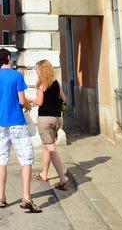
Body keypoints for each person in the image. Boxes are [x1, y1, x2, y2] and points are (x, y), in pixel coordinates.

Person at [0, 48, 42, 213]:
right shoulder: (17, 75)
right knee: (26, 159)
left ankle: (1, 197)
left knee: (2, 159)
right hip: (17, 122)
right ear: (9, 58)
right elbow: (21, 100)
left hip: (1, 123)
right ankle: (26, 197)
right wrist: (27, 105)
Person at [29, 59, 68, 190]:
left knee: (51, 148)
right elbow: (64, 99)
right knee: (46, 146)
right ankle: (44, 173)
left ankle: (62, 178)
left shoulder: (42, 85)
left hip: (45, 119)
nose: (36, 72)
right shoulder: (56, 82)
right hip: (57, 118)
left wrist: (27, 99)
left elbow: (39, 102)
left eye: (37, 69)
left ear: (42, 70)